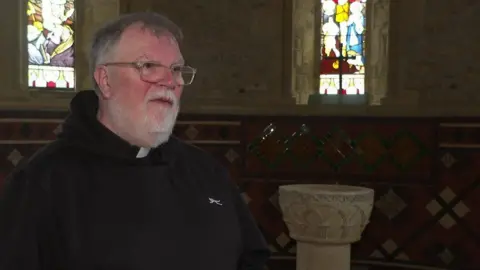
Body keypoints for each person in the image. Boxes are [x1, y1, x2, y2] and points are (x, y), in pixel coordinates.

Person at [0, 12, 270, 270]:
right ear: (105, 80)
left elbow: (251, 258)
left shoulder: (206, 172)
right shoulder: (42, 182)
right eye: (148, 66)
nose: (169, 81)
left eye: (176, 69)